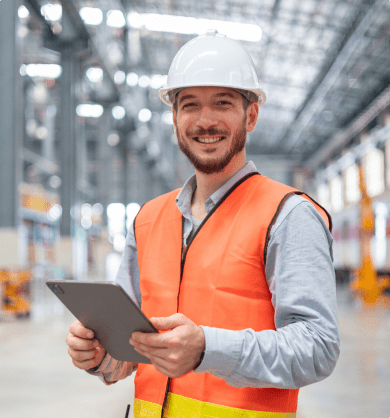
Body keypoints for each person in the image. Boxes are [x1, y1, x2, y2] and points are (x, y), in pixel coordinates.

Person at [66, 30, 340, 417]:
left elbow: (318, 348)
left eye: (223, 103)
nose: (205, 121)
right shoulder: (148, 220)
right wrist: (100, 357)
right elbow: (130, 352)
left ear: (251, 114)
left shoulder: (288, 216)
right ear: (174, 117)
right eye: (190, 105)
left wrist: (208, 349)